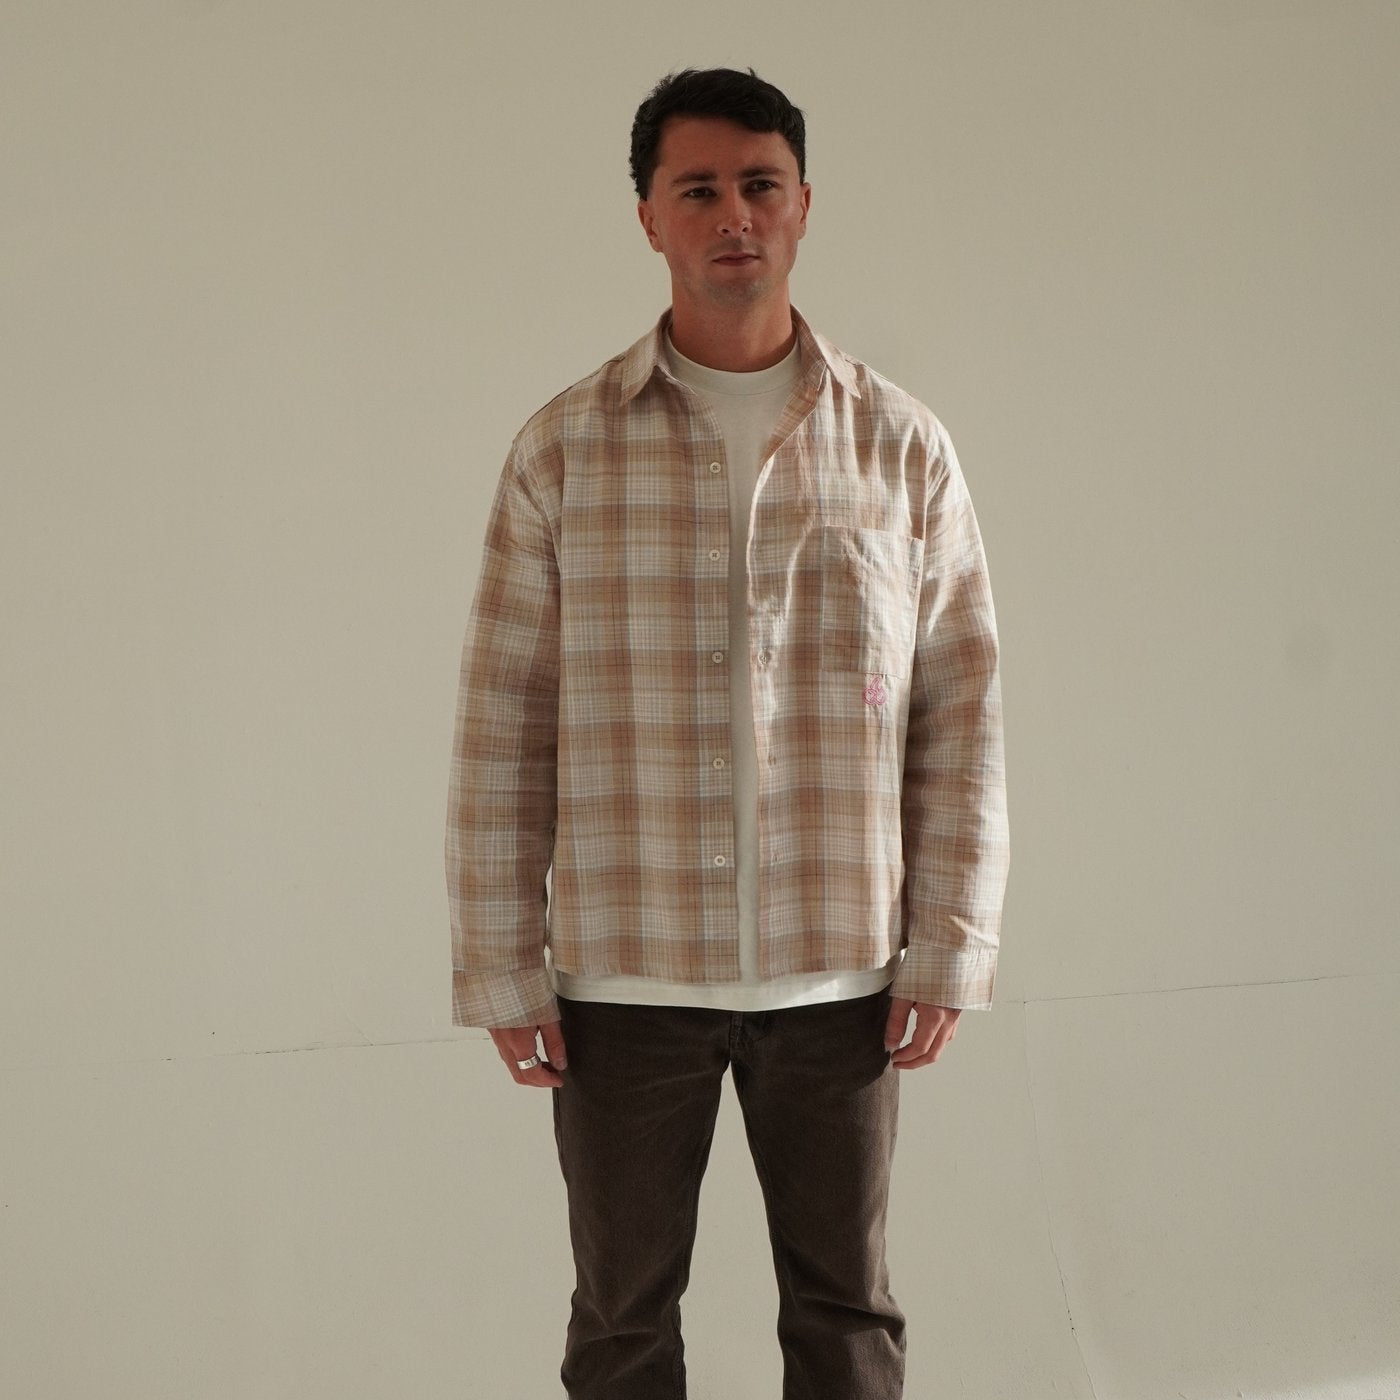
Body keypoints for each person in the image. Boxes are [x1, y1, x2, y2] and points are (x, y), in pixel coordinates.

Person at [445, 65, 1010, 1400]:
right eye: (698, 189)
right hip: (624, 985)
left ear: (803, 204)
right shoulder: (566, 451)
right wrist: (498, 963)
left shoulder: (900, 450)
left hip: (841, 976)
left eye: (761, 185)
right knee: (622, 1323)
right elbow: (501, 718)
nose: (734, 214)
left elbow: (962, 703)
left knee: (848, 1313)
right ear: (649, 216)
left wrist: (952, 941)